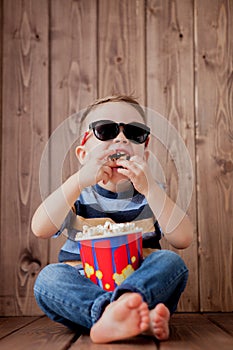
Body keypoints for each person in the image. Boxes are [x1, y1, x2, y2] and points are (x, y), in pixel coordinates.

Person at [32, 95, 193, 343]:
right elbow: (40, 228)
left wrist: (151, 190)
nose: (121, 139)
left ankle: (125, 310)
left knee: (171, 262)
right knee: (49, 279)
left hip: (142, 290)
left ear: (145, 154)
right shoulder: (76, 194)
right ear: (83, 154)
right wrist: (77, 181)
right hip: (85, 288)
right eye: (105, 130)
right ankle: (118, 315)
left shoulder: (152, 194)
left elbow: (183, 239)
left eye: (134, 133)